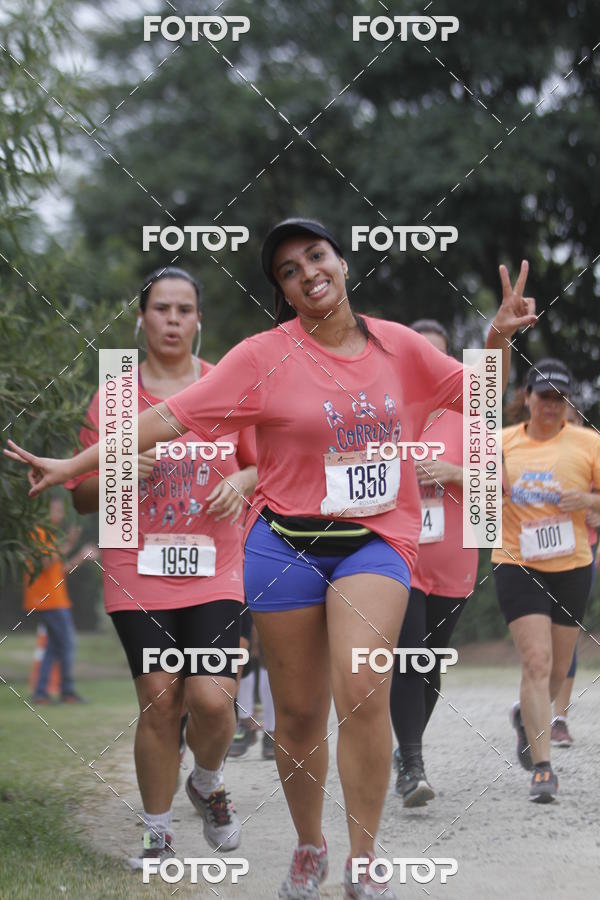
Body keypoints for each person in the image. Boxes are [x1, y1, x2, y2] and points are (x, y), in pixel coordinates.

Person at [5, 219, 536, 900]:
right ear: (283, 290)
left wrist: (496, 338)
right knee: (299, 715)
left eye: (316, 256)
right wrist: (71, 464)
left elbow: (483, 398)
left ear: (341, 263)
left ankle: (364, 863)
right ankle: (310, 845)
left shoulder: (399, 347)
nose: (307, 272)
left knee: (362, 688)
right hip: (284, 545)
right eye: (288, 269)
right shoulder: (261, 357)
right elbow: (169, 419)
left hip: (375, 543)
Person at [66, 267, 258, 867]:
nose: (173, 319)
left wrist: (243, 481)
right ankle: (156, 833)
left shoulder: (227, 385)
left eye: (184, 309)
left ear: (199, 320)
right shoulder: (117, 396)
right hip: (137, 563)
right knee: (159, 696)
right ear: (142, 318)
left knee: (211, 700)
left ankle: (205, 780)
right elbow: (78, 493)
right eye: (161, 309)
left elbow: (271, 467)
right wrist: (120, 471)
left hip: (217, 565)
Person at [493, 359, 600, 802]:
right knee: (536, 662)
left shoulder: (589, 442)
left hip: (572, 564)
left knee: (558, 668)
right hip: (517, 562)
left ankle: (527, 717)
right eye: (544, 396)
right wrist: (486, 484)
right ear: (528, 397)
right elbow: (475, 491)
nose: (552, 405)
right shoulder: (501, 442)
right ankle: (542, 769)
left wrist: (590, 498)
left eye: (560, 398)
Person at [389, 320, 478, 806]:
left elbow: (495, 488)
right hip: (397, 555)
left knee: (431, 662)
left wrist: (453, 473)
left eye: (441, 358)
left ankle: (406, 751)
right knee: (407, 656)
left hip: (453, 558)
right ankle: (413, 766)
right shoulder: (386, 411)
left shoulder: (471, 418)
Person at [550, 406, 600, 746]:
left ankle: (558, 718)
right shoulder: (529, 448)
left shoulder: (590, 449)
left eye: (573, 419)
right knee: (539, 639)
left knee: (566, 634)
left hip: (580, 553)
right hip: (530, 555)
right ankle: (532, 710)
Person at [24, 495, 98, 703]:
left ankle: (41, 692)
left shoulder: (49, 536)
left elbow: (61, 570)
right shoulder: (37, 533)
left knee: (54, 647)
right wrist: (69, 543)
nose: (60, 515)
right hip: (47, 601)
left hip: (56, 599)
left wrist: (82, 556)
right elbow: (46, 563)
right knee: (67, 644)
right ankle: (66, 691)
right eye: (55, 510)